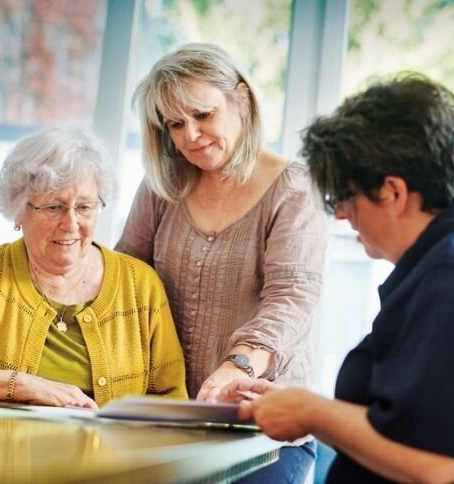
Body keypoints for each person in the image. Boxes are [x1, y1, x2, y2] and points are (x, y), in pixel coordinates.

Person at [218, 73, 454, 483]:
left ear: (393, 191)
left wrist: (309, 412)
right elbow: (409, 421)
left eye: (344, 196)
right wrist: (300, 407)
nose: (339, 214)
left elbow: (432, 462)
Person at [115, 43, 326, 482]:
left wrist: (241, 364)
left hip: (262, 428)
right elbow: (123, 277)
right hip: (167, 421)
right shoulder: (162, 185)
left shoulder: (293, 187)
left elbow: (292, 298)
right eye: (175, 123)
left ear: (242, 101)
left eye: (203, 114)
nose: (190, 135)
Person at [0, 126, 187, 408]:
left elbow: (171, 399)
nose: (71, 224)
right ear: (19, 211)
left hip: (113, 459)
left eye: (84, 207)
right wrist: (22, 386)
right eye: (54, 207)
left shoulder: (140, 285)